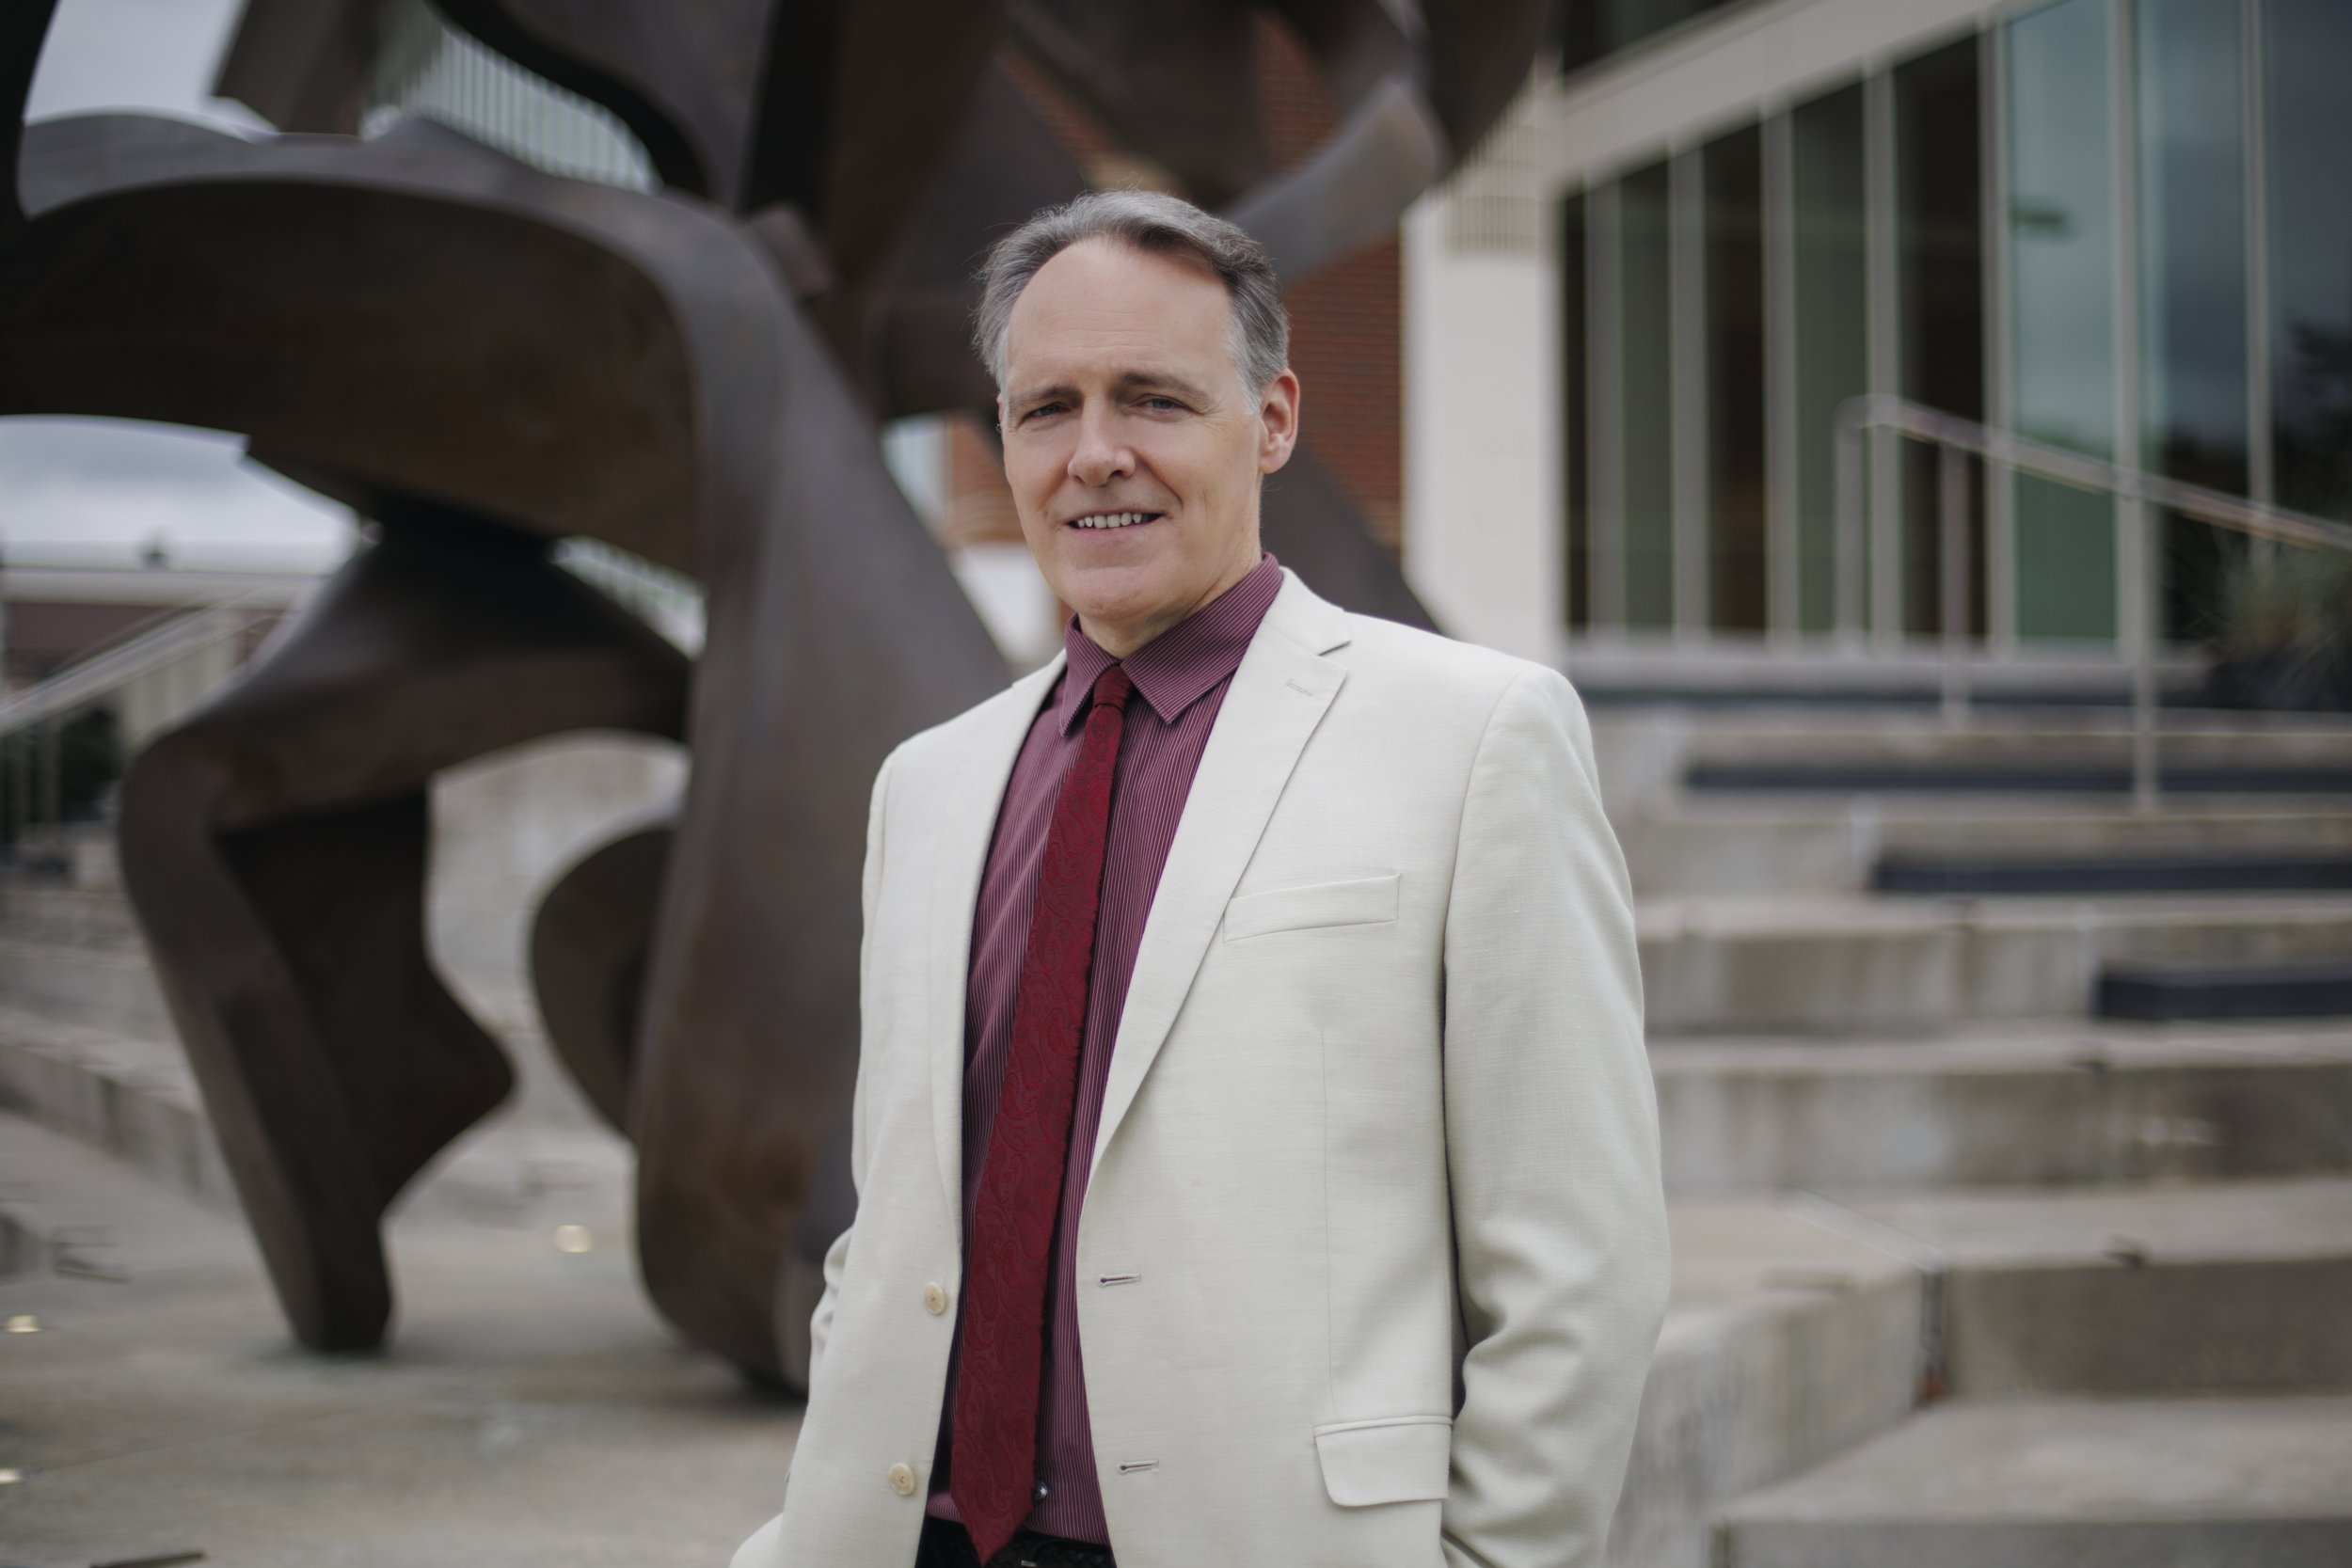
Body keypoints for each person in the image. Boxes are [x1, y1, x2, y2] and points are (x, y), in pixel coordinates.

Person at [730, 189, 1667, 1568]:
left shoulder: (1476, 739)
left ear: (1274, 418)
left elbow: (1579, 1267)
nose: (1095, 455)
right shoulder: (927, 787)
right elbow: (894, 1229)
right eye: (1047, 409)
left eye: (1153, 400)